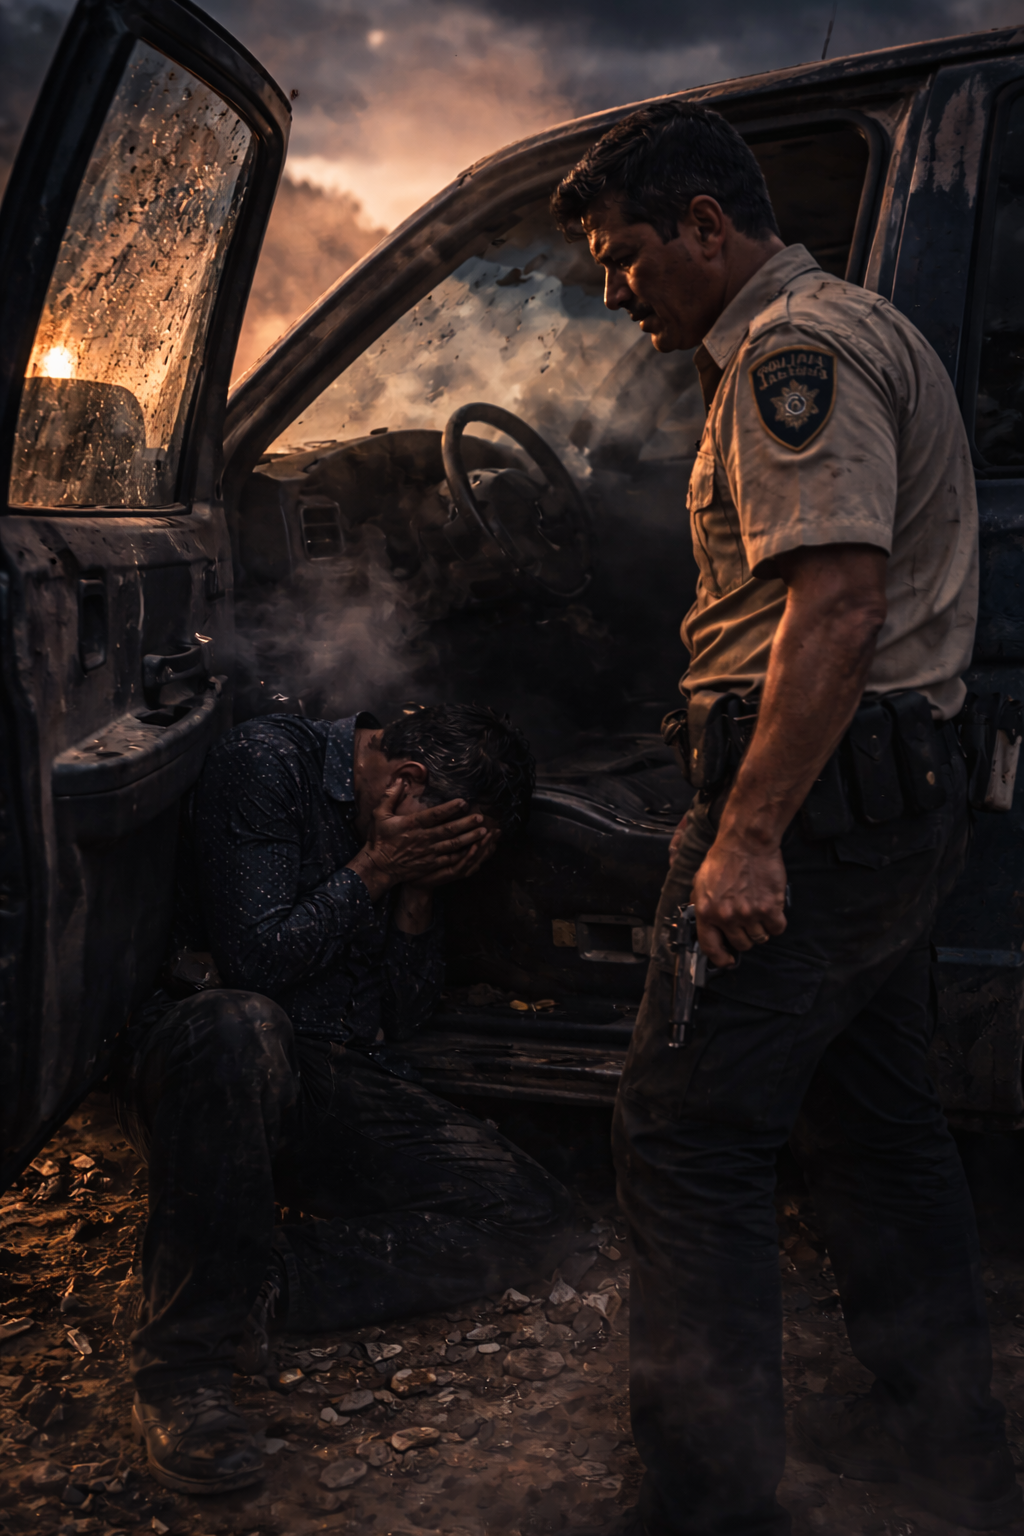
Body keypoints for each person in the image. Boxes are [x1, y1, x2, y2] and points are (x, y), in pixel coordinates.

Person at [552, 102, 1020, 1536]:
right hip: (890, 806)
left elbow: (839, 607)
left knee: (684, 1137)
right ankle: (948, 1448)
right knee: (875, 1124)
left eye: (624, 257)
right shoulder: (860, 326)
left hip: (811, 814)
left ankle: (705, 1504)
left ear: (705, 225)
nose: (616, 291)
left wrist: (745, 834)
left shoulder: (787, 355)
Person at [111, 703, 575, 1496]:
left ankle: (247, 1280)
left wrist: (418, 894)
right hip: (216, 1072)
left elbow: (403, 1014)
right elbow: (257, 962)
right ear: (407, 780)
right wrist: (378, 868)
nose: (442, 856)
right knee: (241, 1023)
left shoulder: (407, 831)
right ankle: (181, 1371)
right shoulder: (267, 763)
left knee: (538, 1219)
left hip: (331, 1074)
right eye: (445, 843)